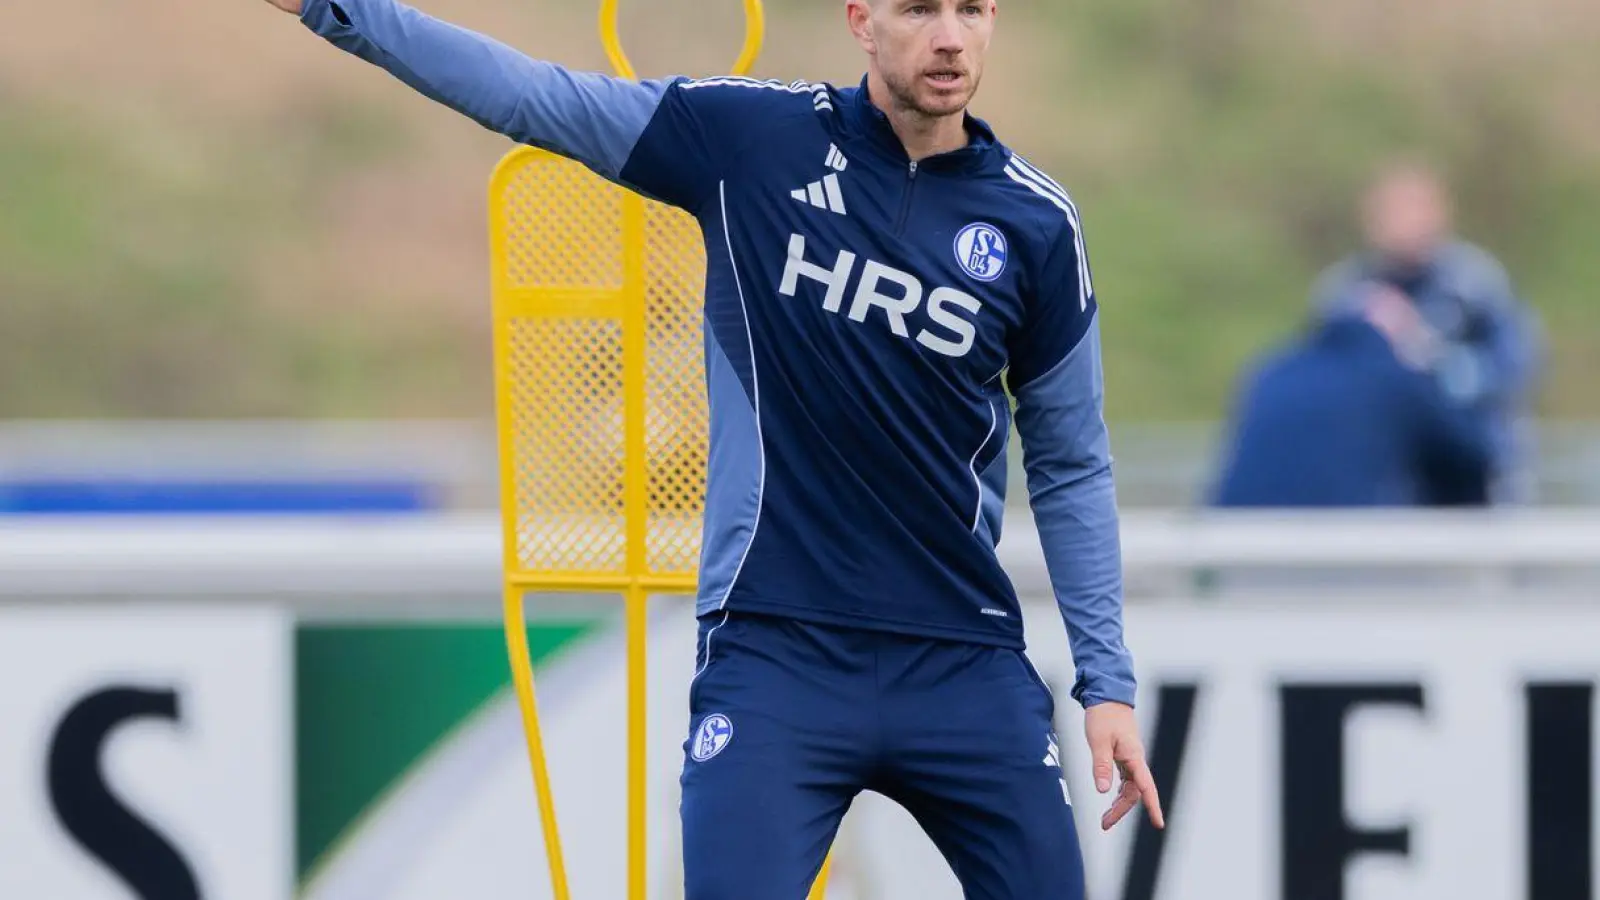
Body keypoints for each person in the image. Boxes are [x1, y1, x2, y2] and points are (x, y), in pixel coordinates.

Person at [259, 0, 1162, 895]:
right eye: (920, 8)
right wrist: (339, 10)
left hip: (964, 661)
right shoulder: (748, 142)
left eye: (972, 9)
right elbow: (536, 97)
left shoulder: (1036, 224)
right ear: (861, 20)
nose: (950, 35)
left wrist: (1106, 682)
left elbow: (1072, 461)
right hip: (776, 654)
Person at [1310, 161, 1544, 503]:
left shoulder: (1476, 284)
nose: (1406, 222)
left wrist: (1434, 363)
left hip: (1476, 473)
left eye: (1417, 208)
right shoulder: (1346, 294)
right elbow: (1318, 382)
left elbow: (1516, 363)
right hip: (1386, 478)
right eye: (1393, 211)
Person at [1210, 287, 1495, 508]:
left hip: (1239, 555)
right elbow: (1470, 460)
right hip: (1340, 560)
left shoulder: (1271, 371)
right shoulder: (1393, 377)